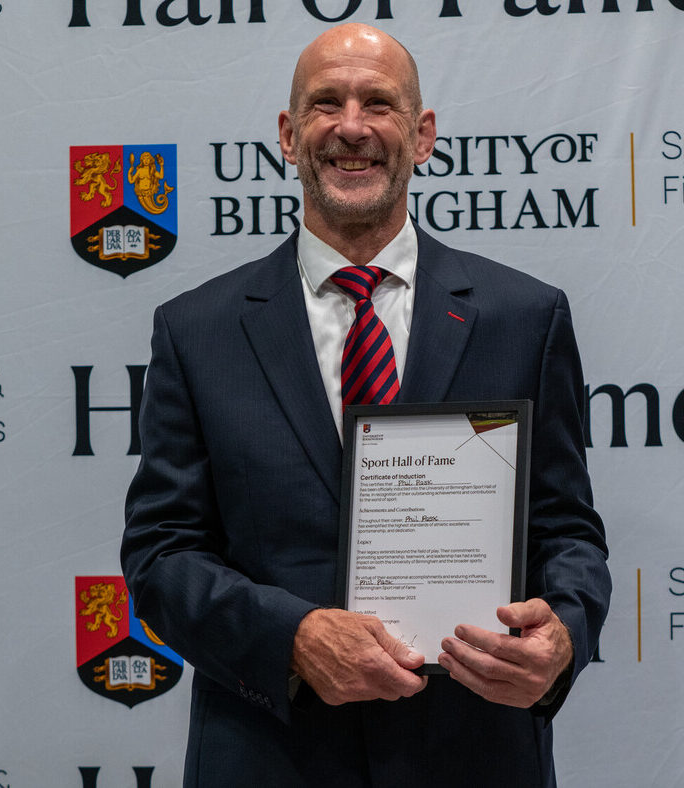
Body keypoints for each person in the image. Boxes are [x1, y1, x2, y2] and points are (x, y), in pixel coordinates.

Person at [122, 23, 610, 787]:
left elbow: (567, 532)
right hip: (270, 758)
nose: (351, 128)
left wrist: (565, 635)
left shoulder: (524, 316)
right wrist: (293, 636)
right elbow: (160, 556)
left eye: (378, 103)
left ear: (421, 136)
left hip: (472, 755)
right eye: (325, 104)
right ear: (288, 136)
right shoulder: (197, 331)